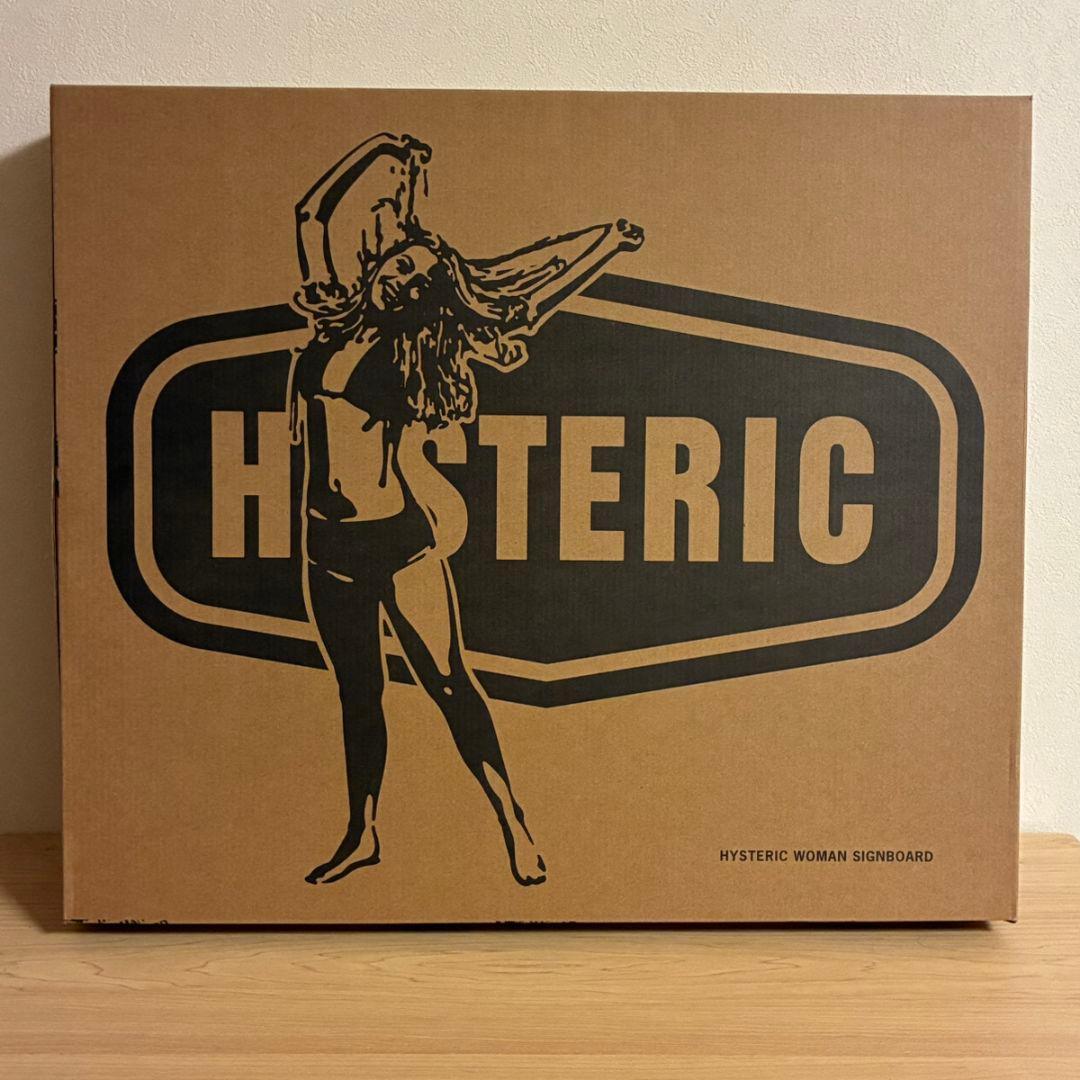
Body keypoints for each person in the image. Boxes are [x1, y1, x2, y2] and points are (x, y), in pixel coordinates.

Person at [289, 132, 643, 886]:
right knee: (358, 694)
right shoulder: (329, 318)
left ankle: (513, 819)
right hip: (325, 549)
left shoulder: (409, 356)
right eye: (401, 266)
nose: (403, 282)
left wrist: (607, 244)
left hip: (397, 543)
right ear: (381, 261)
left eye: (420, 284)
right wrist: (380, 147)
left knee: (449, 683)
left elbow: (526, 302)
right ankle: (362, 834)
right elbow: (311, 214)